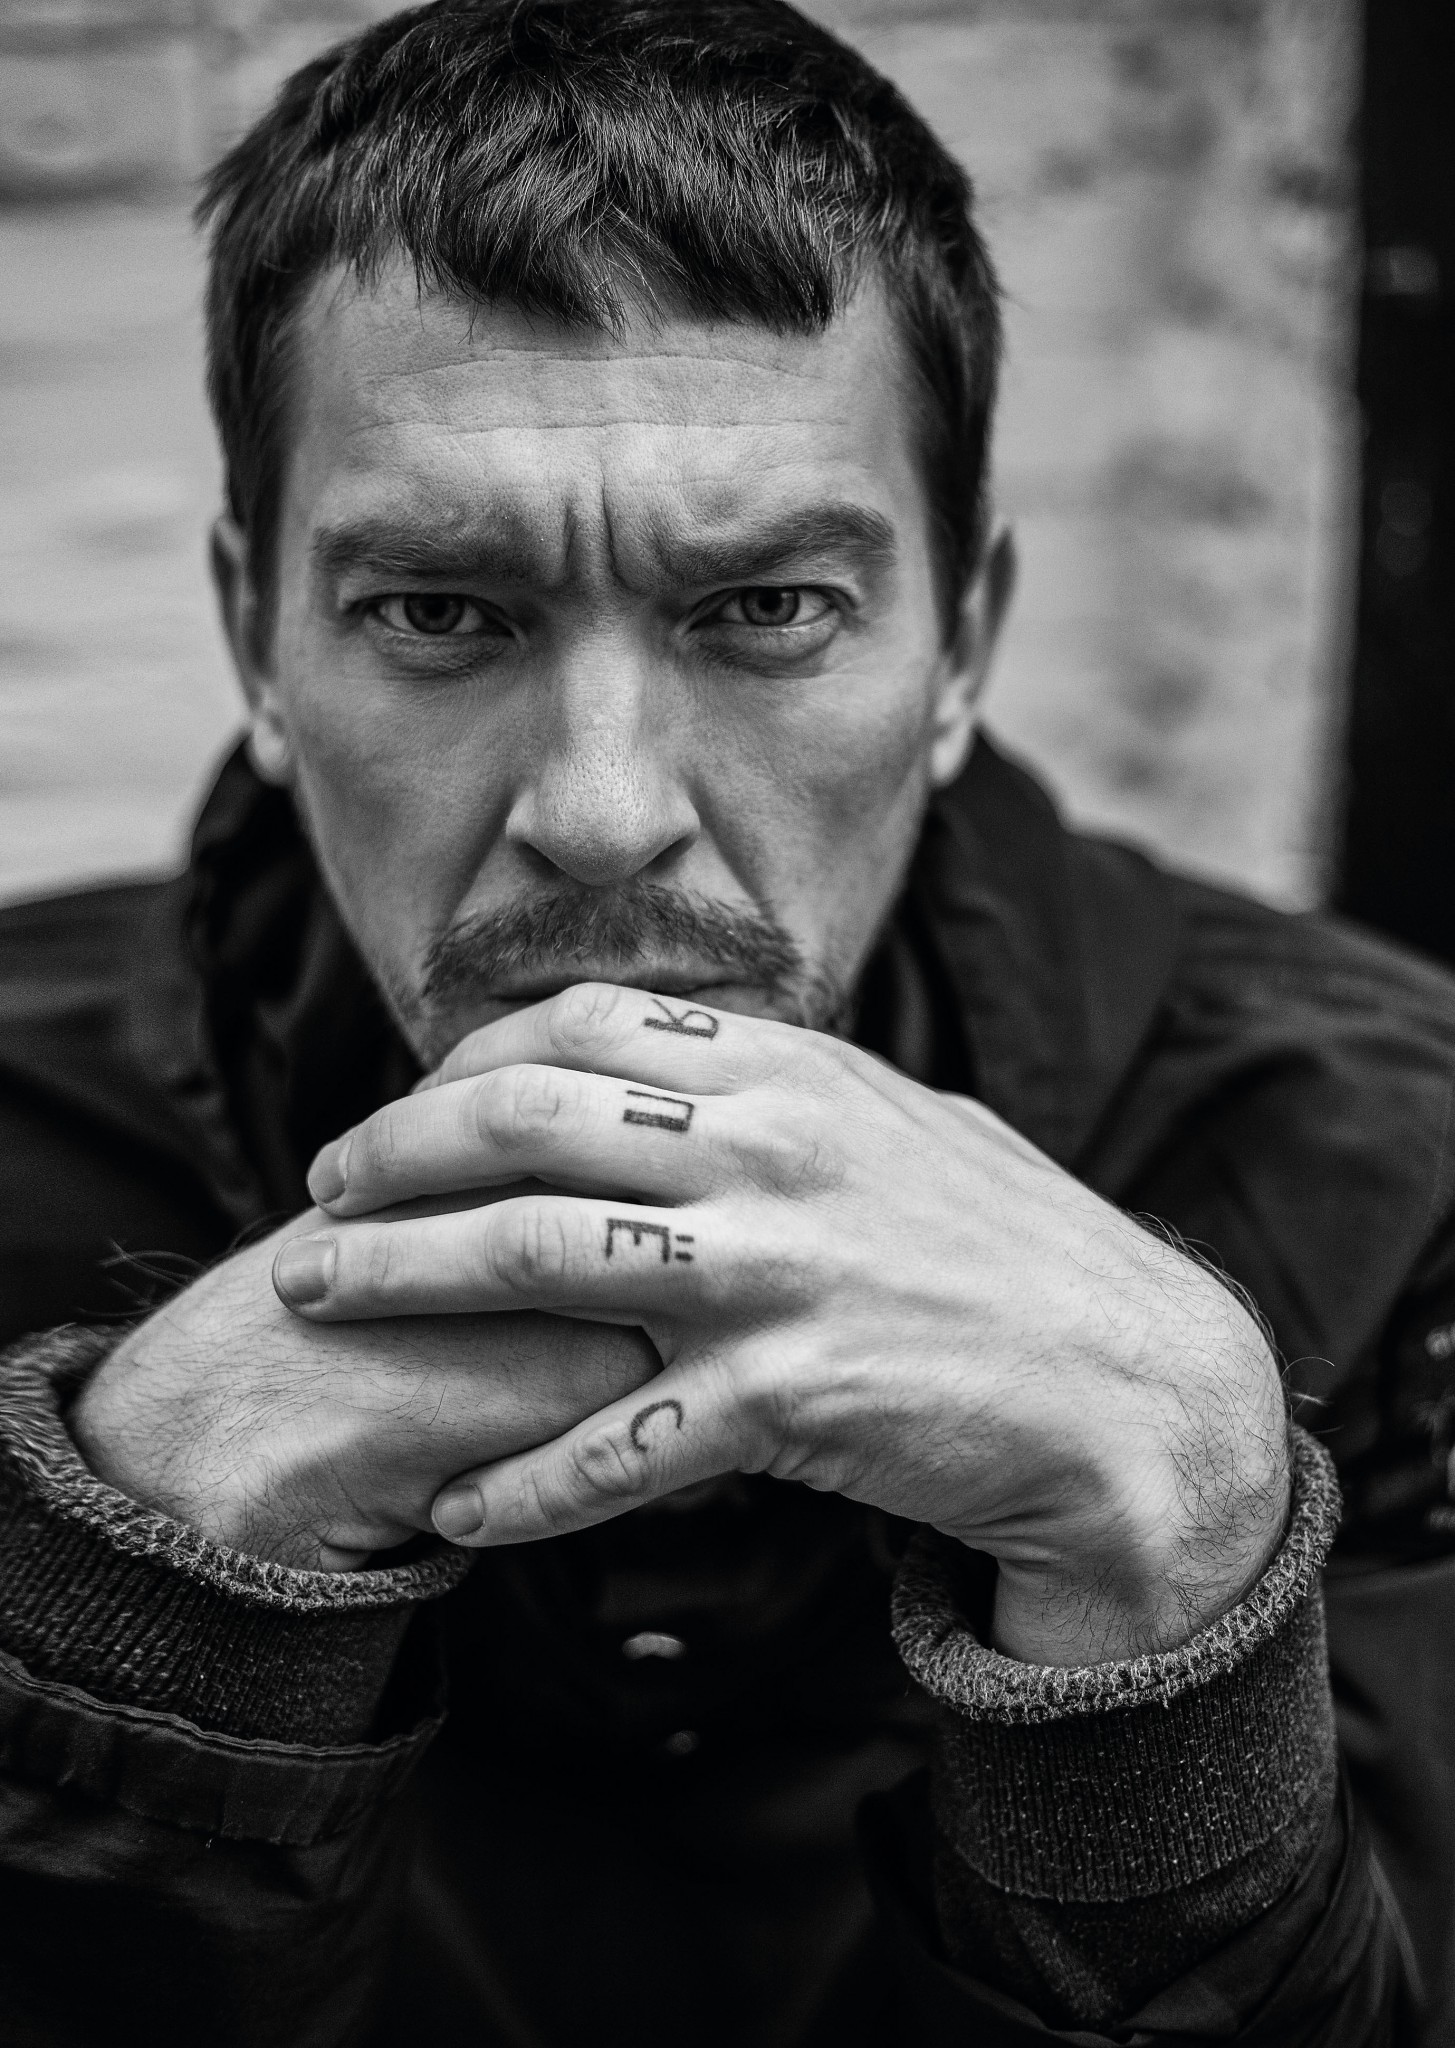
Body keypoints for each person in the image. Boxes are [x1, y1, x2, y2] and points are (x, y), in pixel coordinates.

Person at [0, 2, 1448, 2041]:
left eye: (764, 609)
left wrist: (1178, 1585)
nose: (601, 811)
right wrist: (127, 1611)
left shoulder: (1393, 1178)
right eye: (439, 611)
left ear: (962, 647)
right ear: (257, 637)